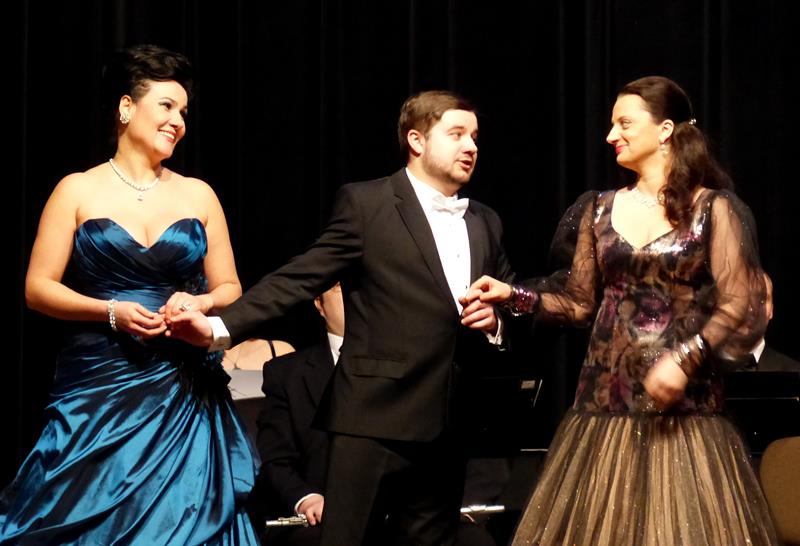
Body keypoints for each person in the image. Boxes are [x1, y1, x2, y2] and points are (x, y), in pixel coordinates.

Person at [169, 90, 515, 546]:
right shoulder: (368, 204)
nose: (471, 146)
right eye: (456, 134)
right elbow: (300, 277)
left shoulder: (484, 221)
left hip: (446, 424)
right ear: (416, 140)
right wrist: (219, 327)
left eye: (474, 137)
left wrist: (496, 322)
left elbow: (510, 295)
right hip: (374, 419)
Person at [463, 76, 779, 545]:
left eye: (624, 123)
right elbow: (578, 304)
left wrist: (685, 358)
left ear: (665, 130)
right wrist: (514, 296)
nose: (612, 135)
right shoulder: (598, 209)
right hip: (604, 408)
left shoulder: (712, 209)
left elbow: (739, 301)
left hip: (685, 416)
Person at [0, 45, 259, 544]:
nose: (178, 121)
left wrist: (199, 302)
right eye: (167, 106)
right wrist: (110, 311)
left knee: (187, 521)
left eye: (184, 112)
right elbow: (38, 288)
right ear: (126, 107)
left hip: (180, 385)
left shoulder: (199, 193)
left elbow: (231, 287)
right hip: (99, 384)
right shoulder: (77, 189)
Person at [247, 283, 505, 546]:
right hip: (324, 517)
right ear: (319, 305)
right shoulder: (286, 374)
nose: (355, 296)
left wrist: (464, 505)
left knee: (474, 541)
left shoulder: (429, 361)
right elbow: (276, 459)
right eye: (341, 287)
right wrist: (307, 499)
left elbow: (476, 445)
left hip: (418, 513)